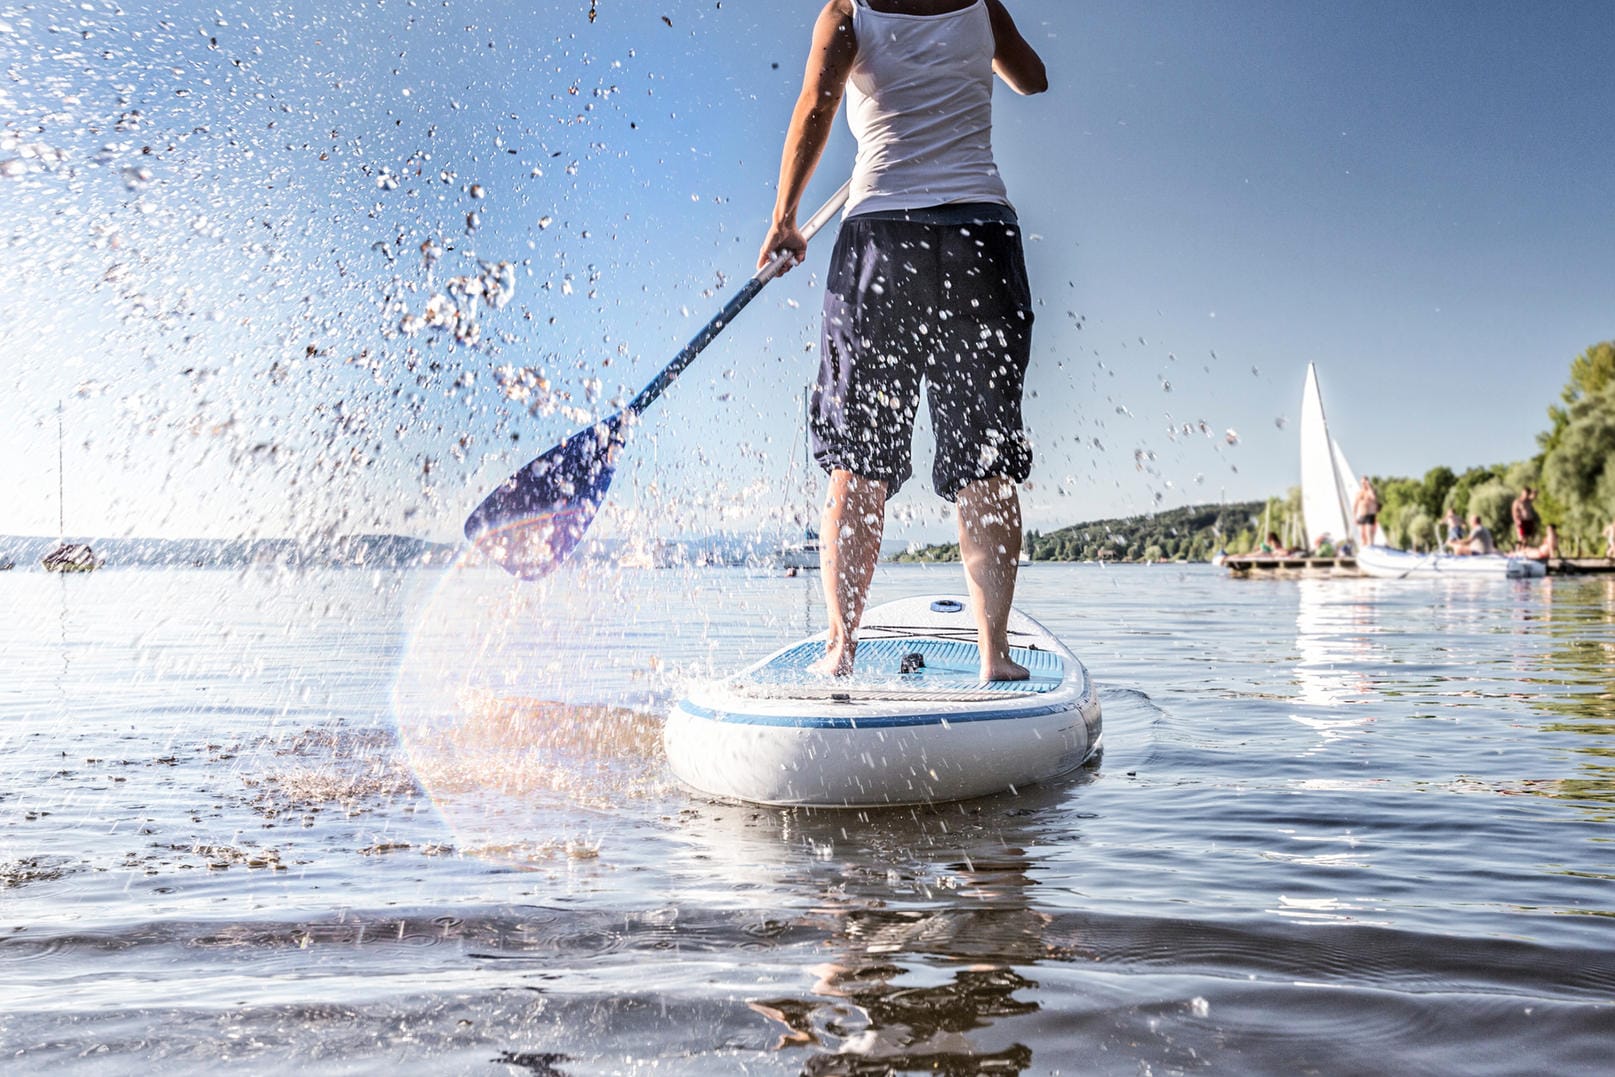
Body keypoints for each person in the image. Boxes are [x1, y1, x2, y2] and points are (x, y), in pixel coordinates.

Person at [759, 0, 1048, 680]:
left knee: (856, 462)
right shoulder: (981, 6)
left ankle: (839, 648)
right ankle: (995, 655)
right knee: (985, 458)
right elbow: (1031, 78)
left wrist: (784, 219)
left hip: (883, 239)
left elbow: (815, 109)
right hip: (980, 236)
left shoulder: (847, 13)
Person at [1353, 476, 1379, 549]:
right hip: (1362, 515)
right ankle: (1364, 548)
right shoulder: (1359, 493)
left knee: (1369, 534)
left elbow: (1374, 498)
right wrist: (1355, 517)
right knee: (1362, 535)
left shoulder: (1371, 492)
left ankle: (1371, 547)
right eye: (1362, 483)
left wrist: (1369, 487)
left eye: (1365, 482)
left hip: (1370, 515)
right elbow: (1355, 505)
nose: (1363, 484)